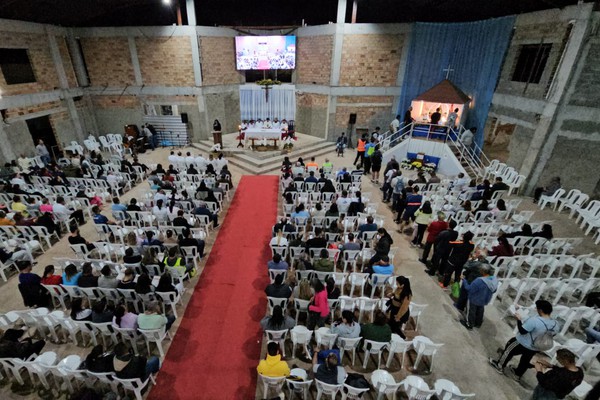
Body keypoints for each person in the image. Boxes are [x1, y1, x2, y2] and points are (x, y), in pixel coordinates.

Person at [490, 300, 560, 381]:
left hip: (522, 342)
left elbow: (522, 331)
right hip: (535, 347)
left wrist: (518, 320)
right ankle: (517, 374)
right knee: (525, 360)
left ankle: (499, 365)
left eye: (536, 308)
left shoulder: (534, 321)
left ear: (540, 310)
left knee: (508, 351)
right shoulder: (555, 324)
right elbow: (552, 334)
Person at [460, 264, 498, 330]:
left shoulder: (479, 280)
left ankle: (469, 324)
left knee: (471, 311)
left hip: (474, 299)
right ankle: (478, 323)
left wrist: (464, 280)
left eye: (480, 269)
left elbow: (469, 289)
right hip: (485, 299)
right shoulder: (494, 280)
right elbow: (494, 291)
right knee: (480, 310)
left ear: (483, 271)